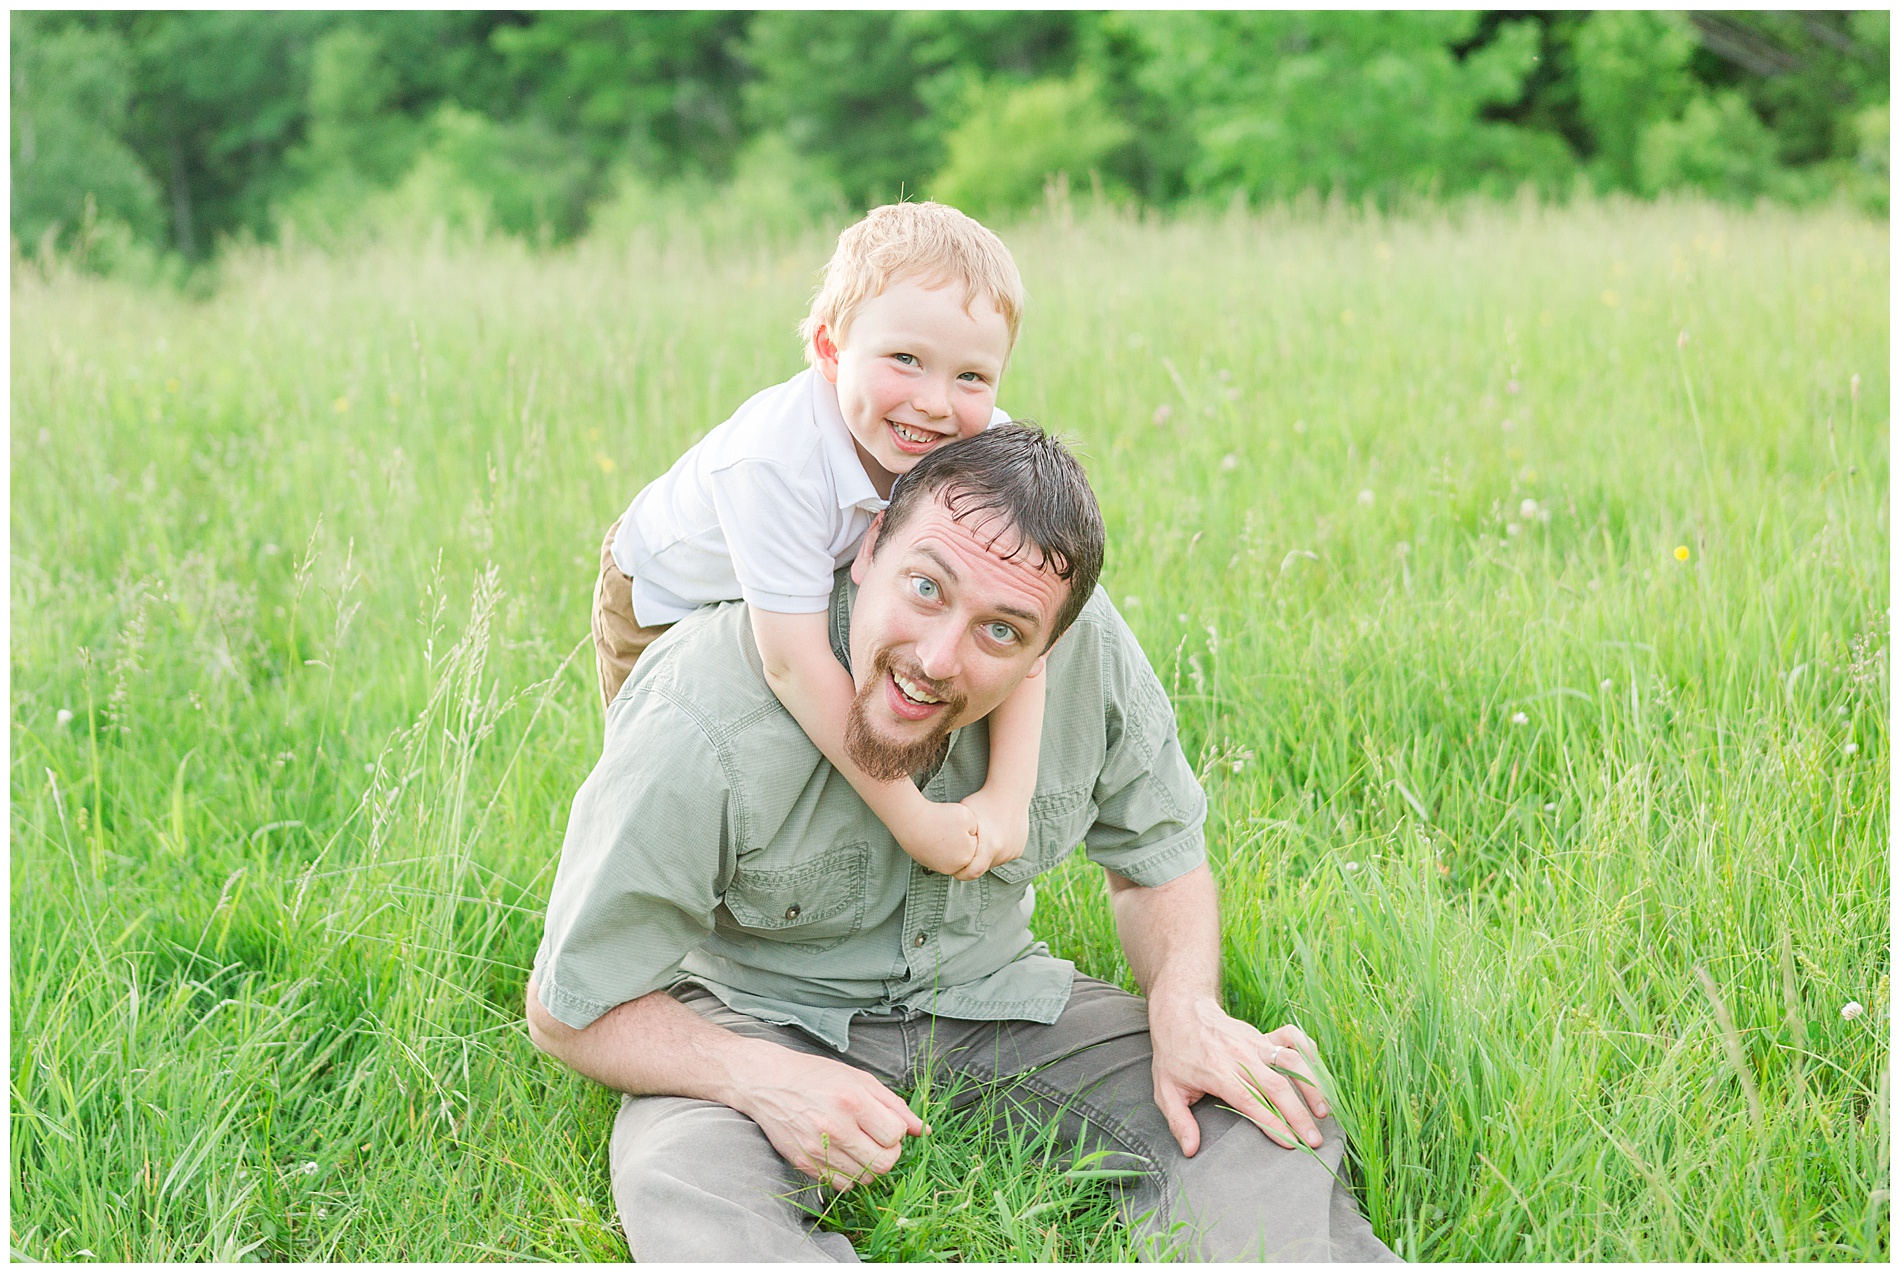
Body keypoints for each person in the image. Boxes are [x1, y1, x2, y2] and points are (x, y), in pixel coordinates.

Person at [528, 426, 1398, 1262]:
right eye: (926, 587)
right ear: (869, 550)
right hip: (762, 1017)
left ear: (1045, 651)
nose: (938, 657)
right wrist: (755, 1076)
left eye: (1002, 632)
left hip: (998, 1002)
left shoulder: (1092, 652)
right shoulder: (703, 708)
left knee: (1263, 1097)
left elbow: (1159, 861)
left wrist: (1185, 1004)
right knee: (678, 1178)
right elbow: (571, 1009)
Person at [591, 201, 1041, 883]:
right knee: (668, 779)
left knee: (808, 755)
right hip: (658, 600)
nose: (936, 403)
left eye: (971, 376)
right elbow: (794, 667)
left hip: (810, 573)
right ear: (831, 350)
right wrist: (916, 822)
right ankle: (642, 922)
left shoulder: (977, 442)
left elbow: (1028, 624)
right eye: (906, 360)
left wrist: (1008, 801)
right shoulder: (776, 463)